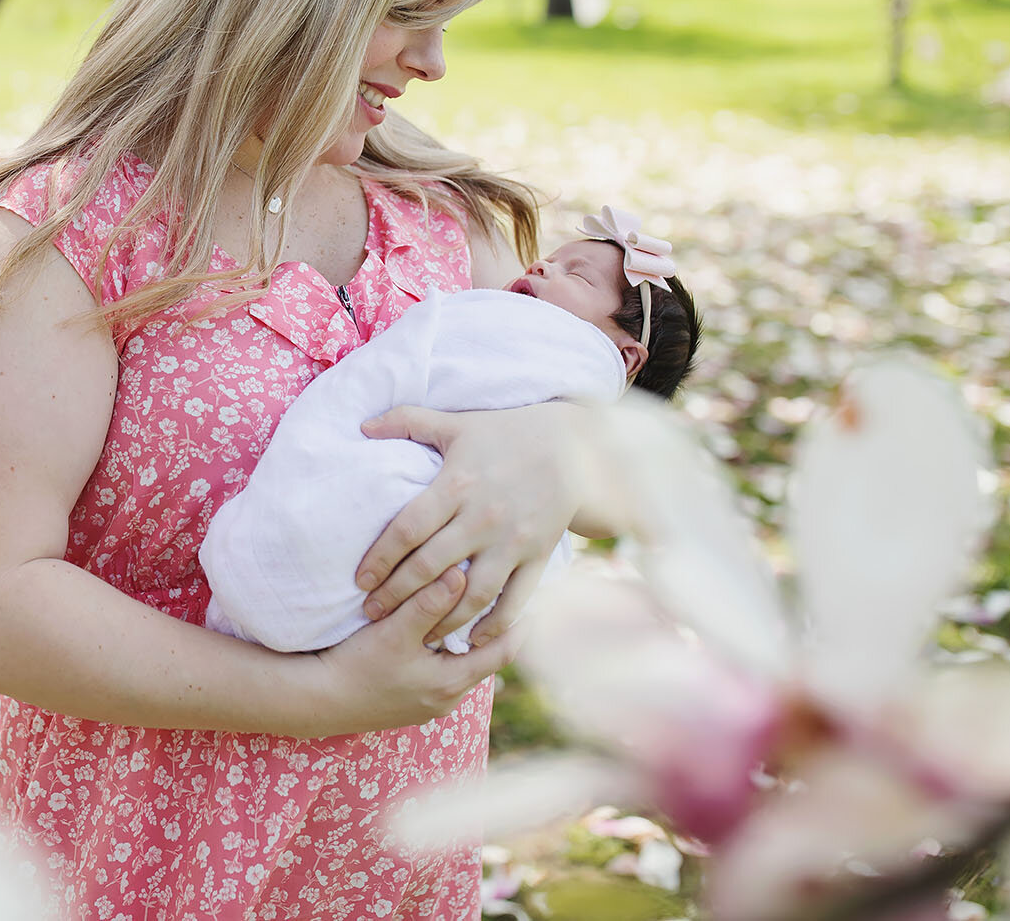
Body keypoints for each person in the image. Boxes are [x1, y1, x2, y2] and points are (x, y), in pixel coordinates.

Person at [0, 0, 597, 920]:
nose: (433, 62)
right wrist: (320, 696)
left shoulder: (441, 219)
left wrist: (549, 456)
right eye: (406, 11)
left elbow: (575, 403)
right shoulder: (63, 239)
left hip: (395, 873)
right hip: (141, 871)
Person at [202, 207, 704, 656]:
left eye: (577, 274)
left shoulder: (539, 336)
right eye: (551, 257)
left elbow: (621, 499)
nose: (540, 266)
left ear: (623, 357)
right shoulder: (498, 313)